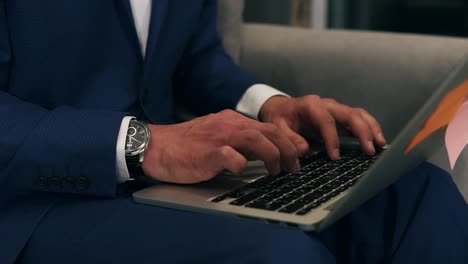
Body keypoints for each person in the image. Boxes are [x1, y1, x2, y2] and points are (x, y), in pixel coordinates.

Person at [1, 1, 466, 263]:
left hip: (172, 186)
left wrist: (269, 106)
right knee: (283, 259)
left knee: (417, 193)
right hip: (33, 201)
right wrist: (144, 143)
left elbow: (194, 59)